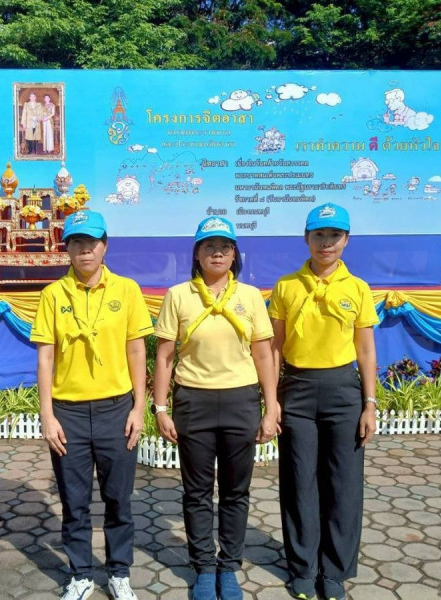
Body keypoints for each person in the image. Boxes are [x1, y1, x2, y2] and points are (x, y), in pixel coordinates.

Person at [152, 216, 278, 600]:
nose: (217, 253)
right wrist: (160, 408)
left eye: (225, 246)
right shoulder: (178, 295)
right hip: (194, 402)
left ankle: (229, 567)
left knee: (236, 491)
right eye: (209, 246)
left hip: (241, 401)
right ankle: (204, 567)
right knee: (197, 492)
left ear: (235, 254)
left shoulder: (251, 296)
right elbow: (165, 356)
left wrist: (271, 407)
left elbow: (263, 354)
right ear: (197, 253)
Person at [30, 210, 153, 600]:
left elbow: (137, 351)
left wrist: (139, 408)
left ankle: (119, 572)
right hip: (68, 413)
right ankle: (81, 573)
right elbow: (45, 358)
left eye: (92, 241)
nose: (85, 249)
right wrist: (47, 415)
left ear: (105, 246)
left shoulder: (126, 290)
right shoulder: (53, 295)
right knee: (74, 500)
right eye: (76, 242)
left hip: (116, 410)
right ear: (66, 249)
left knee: (119, 498)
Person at [268, 203, 379, 600]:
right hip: (297, 389)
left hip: (343, 391)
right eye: (319, 235)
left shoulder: (358, 288)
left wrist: (369, 403)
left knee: (343, 483)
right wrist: (271, 400)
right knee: (299, 480)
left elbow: (365, 350)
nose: (326, 243)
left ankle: (334, 570)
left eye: (334, 235)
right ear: (306, 238)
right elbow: (274, 348)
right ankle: (302, 567)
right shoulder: (286, 286)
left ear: (346, 240)